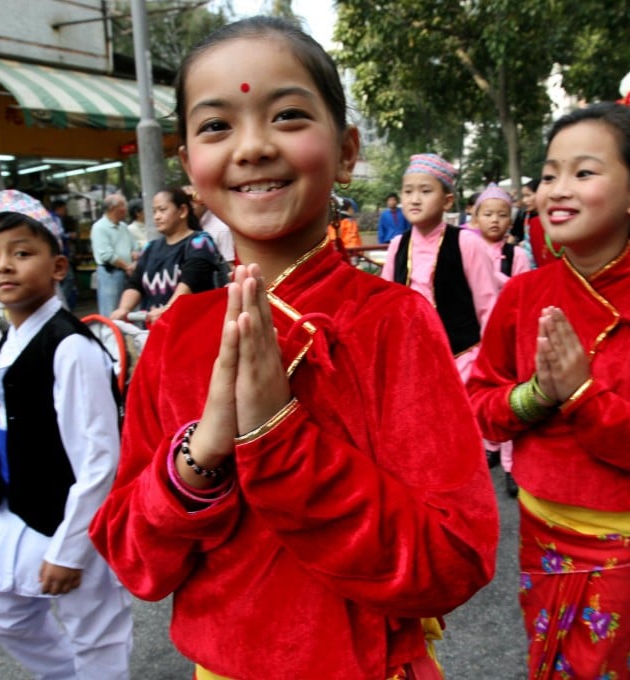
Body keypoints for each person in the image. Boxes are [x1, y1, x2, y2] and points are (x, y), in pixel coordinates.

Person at [88, 17, 498, 680]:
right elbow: (134, 559)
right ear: (190, 166)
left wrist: (281, 440)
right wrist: (199, 456)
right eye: (217, 126)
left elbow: (454, 559)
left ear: (347, 149)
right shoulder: (176, 334)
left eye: (286, 115)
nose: (252, 148)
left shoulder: (394, 322)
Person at [466, 103, 630, 680]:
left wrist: (586, 400)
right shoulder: (522, 295)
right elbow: (481, 411)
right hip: (540, 525)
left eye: (584, 173)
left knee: (595, 667)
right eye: (548, 174)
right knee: (545, 658)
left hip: (624, 536)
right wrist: (537, 395)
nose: (558, 190)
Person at [0, 189, 133, 679]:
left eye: (22, 253)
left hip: (72, 515)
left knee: (96, 632)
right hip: (21, 507)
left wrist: (71, 549)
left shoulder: (71, 348)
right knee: (3, 613)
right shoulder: (6, 340)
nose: (4, 267)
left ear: (58, 267)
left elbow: (100, 460)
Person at [381, 153, 499, 385]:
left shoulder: (466, 243)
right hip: (411, 362)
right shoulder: (397, 246)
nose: (415, 199)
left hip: (462, 362)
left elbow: (489, 308)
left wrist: (487, 366)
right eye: (408, 191)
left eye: (425, 191)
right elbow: (385, 307)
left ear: (447, 201)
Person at [472, 182, 530, 498]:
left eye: (502, 214)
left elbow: (520, 290)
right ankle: (488, 445)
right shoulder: (468, 248)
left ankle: (511, 465)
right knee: (481, 395)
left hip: (507, 335)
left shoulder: (515, 254)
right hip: (477, 336)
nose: (494, 220)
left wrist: (491, 276)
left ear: (511, 220)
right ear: (476, 217)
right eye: (488, 213)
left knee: (508, 396)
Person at [110, 186, 223, 325]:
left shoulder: (200, 242)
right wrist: (123, 309)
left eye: (162, 210)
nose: (156, 216)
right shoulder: (150, 248)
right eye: (154, 211)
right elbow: (135, 283)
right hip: (157, 330)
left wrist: (168, 309)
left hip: (193, 329)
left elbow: (190, 281)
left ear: (182, 211)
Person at [90, 194, 135, 317]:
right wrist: (127, 267)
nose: (125, 209)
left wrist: (135, 261)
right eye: (122, 205)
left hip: (128, 272)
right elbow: (107, 255)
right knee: (111, 311)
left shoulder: (124, 227)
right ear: (112, 208)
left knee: (129, 311)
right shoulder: (99, 227)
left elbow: (134, 248)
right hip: (111, 274)